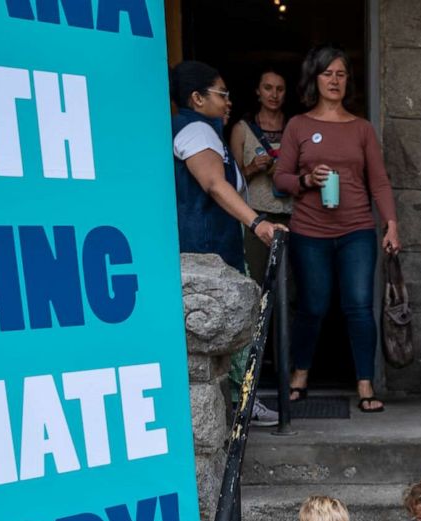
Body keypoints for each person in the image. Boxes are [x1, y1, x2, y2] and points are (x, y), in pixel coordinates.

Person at [272, 45, 401, 414]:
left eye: (341, 74)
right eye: (327, 73)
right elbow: (280, 179)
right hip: (309, 230)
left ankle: (365, 383)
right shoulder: (298, 125)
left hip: (357, 229)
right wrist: (306, 179)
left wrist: (391, 224)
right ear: (315, 78)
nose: (334, 80)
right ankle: (300, 375)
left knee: (359, 307)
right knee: (312, 305)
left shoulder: (361, 128)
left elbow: (379, 181)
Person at [170, 60, 282, 271]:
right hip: (208, 250)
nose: (227, 102)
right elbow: (215, 184)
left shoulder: (190, 127)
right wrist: (257, 224)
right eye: (221, 95)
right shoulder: (197, 131)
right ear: (197, 98)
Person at [233, 68, 293, 282]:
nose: (274, 95)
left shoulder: (295, 127)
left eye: (280, 89)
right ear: (257, 92)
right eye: (268, 88)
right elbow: (232, 181)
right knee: (257, 282)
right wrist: (252, 167)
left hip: (292, 216)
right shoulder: (242, 129)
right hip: (256, 217)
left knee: (292, 286)